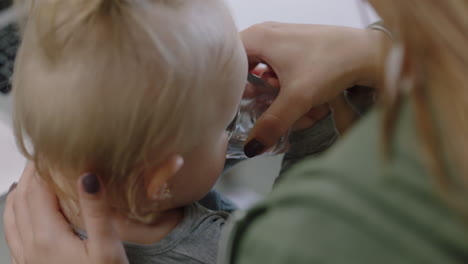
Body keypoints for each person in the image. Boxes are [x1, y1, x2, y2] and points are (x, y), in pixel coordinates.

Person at [6, 0, 468, 263]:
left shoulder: (41, 193)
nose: (249, 108)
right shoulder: (217, 251)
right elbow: (301, 229)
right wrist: (313, 139)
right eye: (229, 122)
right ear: (159, 178)